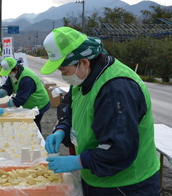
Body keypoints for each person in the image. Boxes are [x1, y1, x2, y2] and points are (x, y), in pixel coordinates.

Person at [42, 27, 160, 195]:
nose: (64, 76)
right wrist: (62, 129)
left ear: (83, 62)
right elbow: (72, 111)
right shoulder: (82, 78)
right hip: (95, 176)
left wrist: (79, 160)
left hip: (127, 184)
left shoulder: (116, 89)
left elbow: (119, 148)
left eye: (64, 71)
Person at [0, 57, 50, 133]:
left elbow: (19, 100)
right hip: (29, 102)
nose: (9, 75)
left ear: (15, 68)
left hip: (38, 103)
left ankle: (37, 140)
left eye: (9, 73)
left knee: (34, 124)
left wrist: (2, 105)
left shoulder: (27, 79)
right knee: (28, 124)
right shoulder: (13, 75)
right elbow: (7, 87)